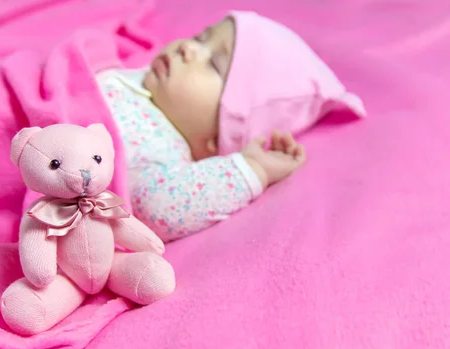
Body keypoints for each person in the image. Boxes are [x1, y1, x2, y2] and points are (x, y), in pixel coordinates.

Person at [95, 10, 364, 242]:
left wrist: (251, 170)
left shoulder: (163, 154)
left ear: (217, 137)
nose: (188, 48)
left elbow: (158, 207)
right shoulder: (136, 74)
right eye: (200, 38)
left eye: (212, 64)